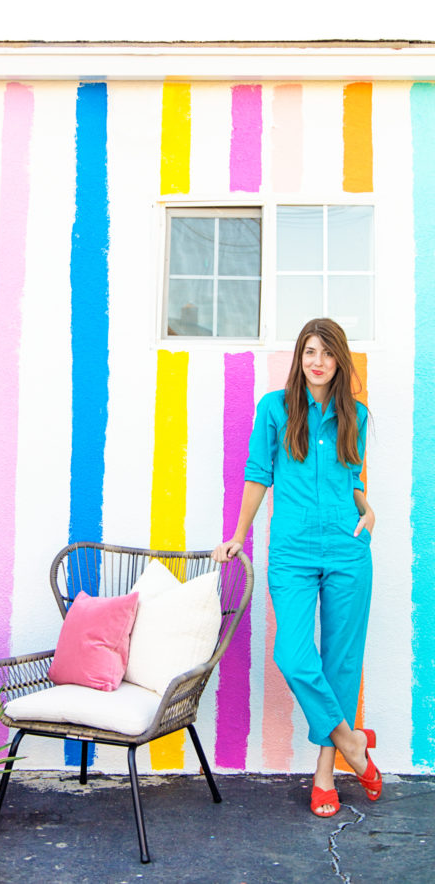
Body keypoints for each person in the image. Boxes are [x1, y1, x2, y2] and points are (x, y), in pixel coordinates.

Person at [212, 317, 381, 818]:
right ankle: (354, 745)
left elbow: (349, 479)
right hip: (292, 552)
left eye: (327, 354)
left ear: (339, 360)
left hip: (349, 549)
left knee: (341, 663)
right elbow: (258, 476)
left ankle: (327, 773)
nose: (317, 362)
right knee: (292, 653)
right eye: (310, 351)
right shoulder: (274, 410)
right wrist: (237, 537)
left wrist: (367, 510)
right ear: (299, 357)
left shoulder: (358, 415)